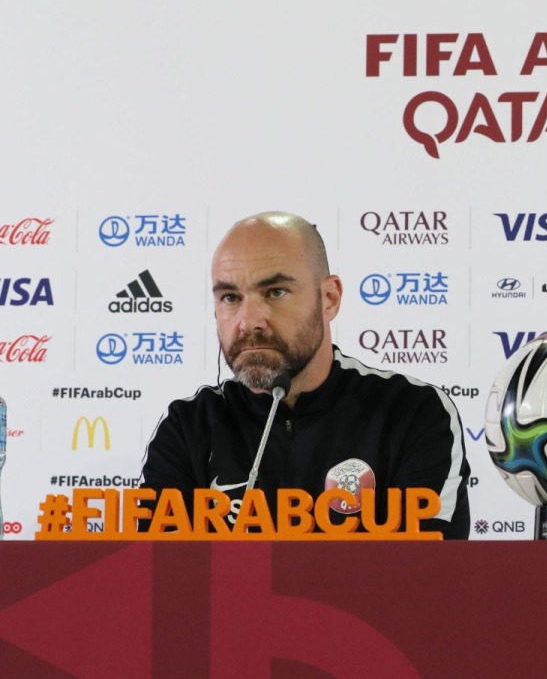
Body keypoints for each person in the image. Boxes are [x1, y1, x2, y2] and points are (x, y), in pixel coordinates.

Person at [140, 211, 471, 538]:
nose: (249, 321)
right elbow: (161, 580)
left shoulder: (413, 412)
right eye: (230, 298)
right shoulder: (187, 427)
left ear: (329, 299)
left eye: (275, 292)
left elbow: (426, 579)